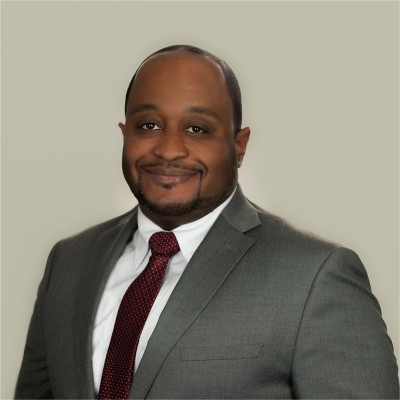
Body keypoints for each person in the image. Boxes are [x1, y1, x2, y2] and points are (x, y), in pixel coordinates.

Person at [15, 45, 399, 399]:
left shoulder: (315, 276)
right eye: (148, 125)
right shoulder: (69, 261)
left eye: (197, 128)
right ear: (124, 133)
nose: (168, 149)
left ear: (239, 145)